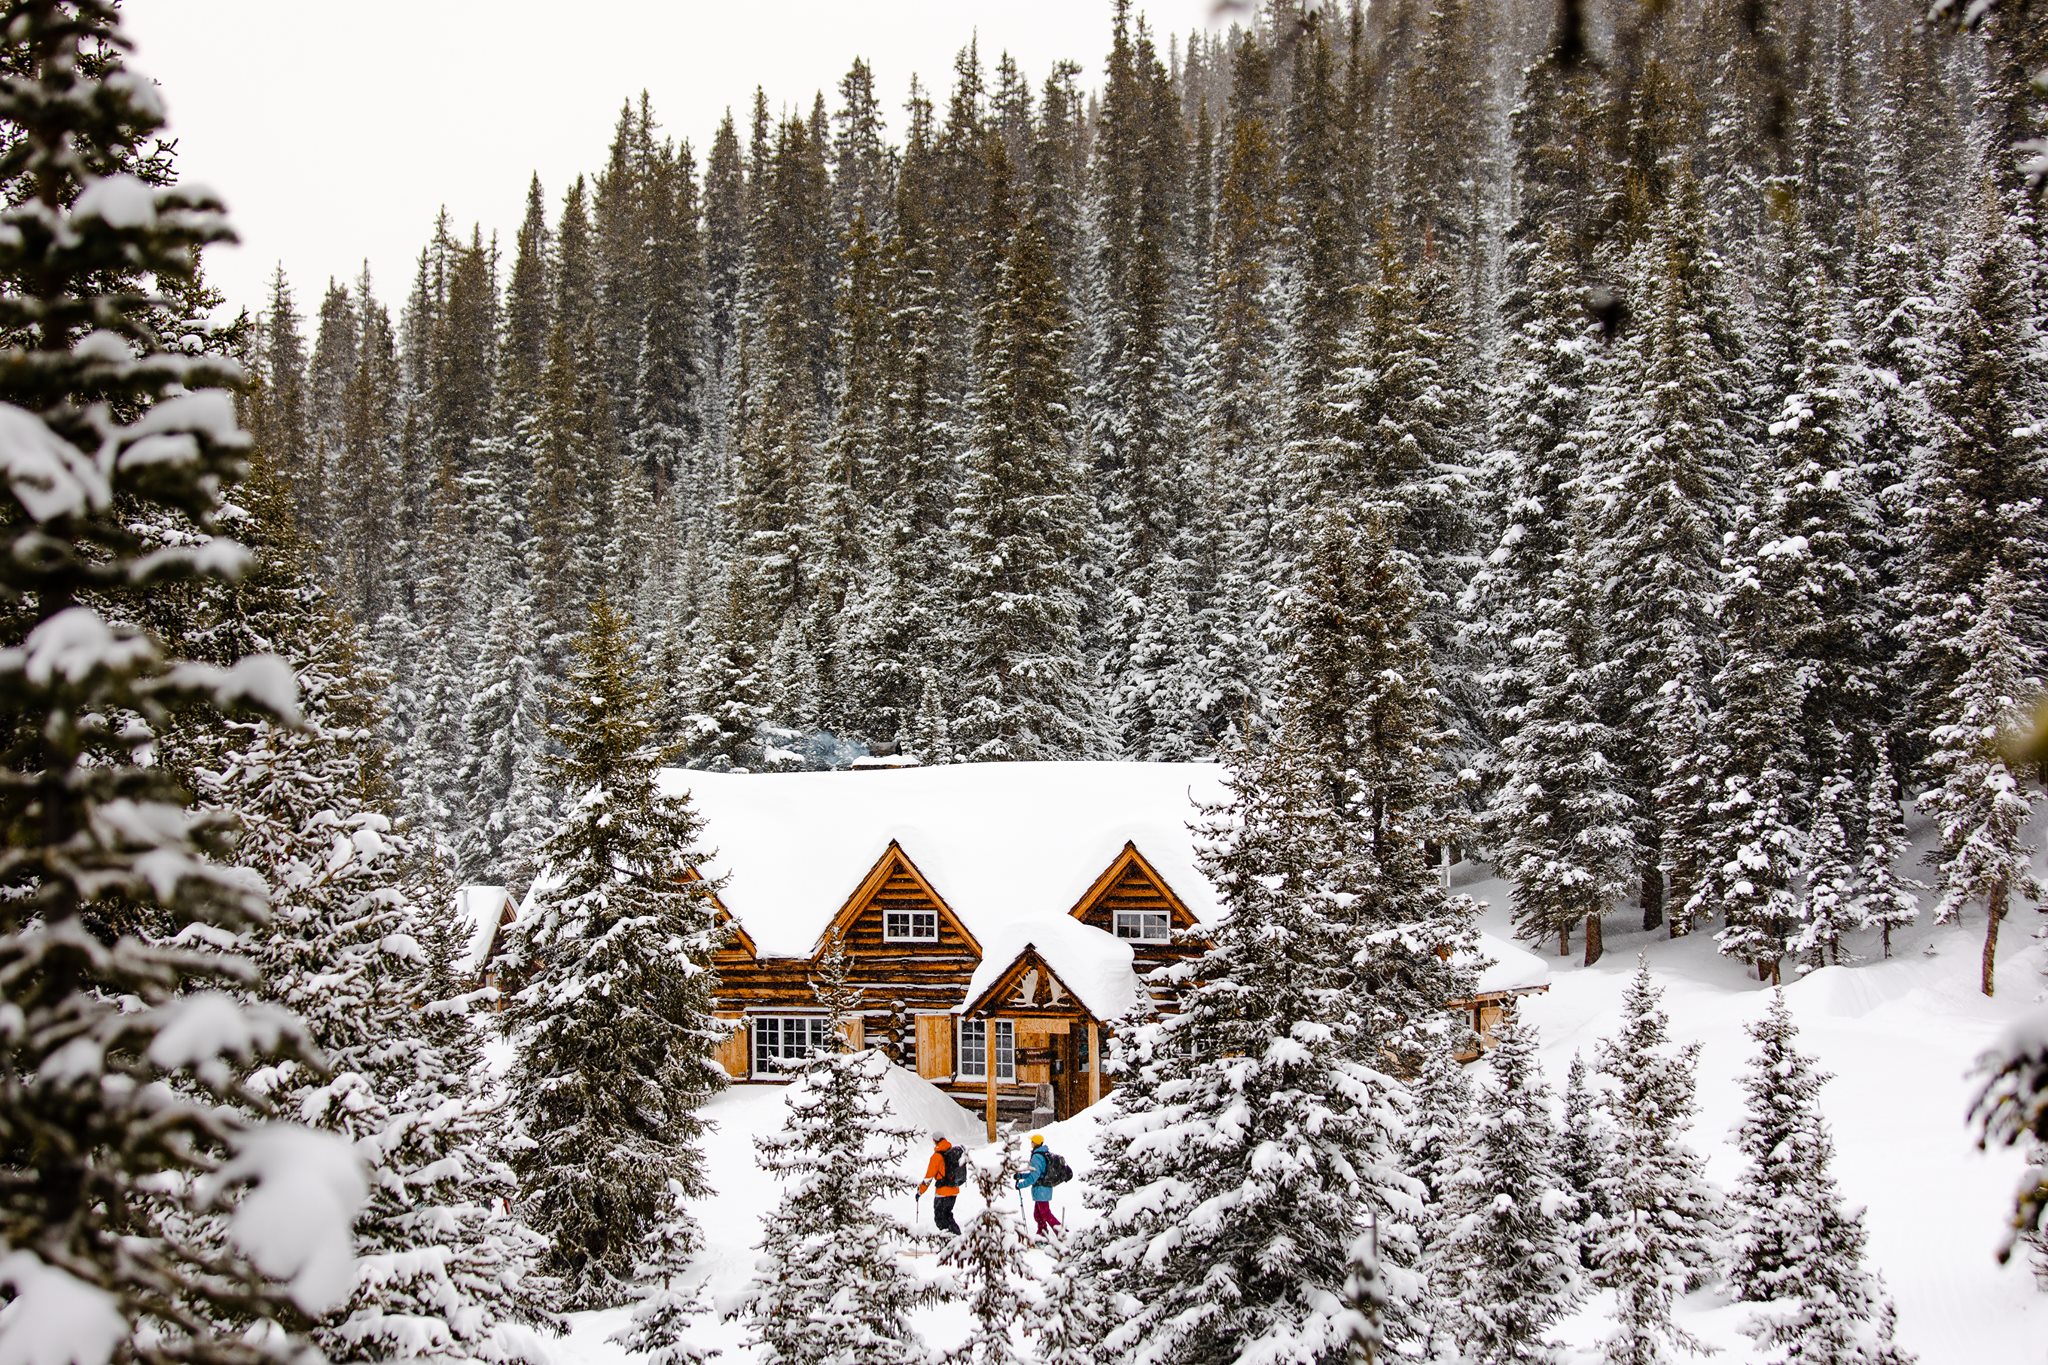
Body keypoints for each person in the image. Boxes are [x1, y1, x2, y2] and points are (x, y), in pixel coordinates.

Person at [1015, 1133, 1061, 1237]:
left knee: (1045, 1213)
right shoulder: (1043, 1154)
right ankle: (1042, 1233)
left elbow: (1034, 1177)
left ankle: (1061, 1232)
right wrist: (1021, 1176)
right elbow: (1037, 1173)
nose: (1031, 1143)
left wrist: (1021, 1185)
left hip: (1041, 1189)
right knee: (1038, 1214)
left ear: (1035, 1143)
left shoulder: (1036, 1157)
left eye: (1032, 1141)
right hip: (1043, 1188)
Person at [918, 1133, 964, 1234]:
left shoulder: (936, 1157)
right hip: (954, 1191)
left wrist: (920, 1192)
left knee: (940, 1220)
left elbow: (928, 1178)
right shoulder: (952, 1153)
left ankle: (951, 1240)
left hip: (942, 1193)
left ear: (935, 1141)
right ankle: (957, 1238)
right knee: (948, 1216)